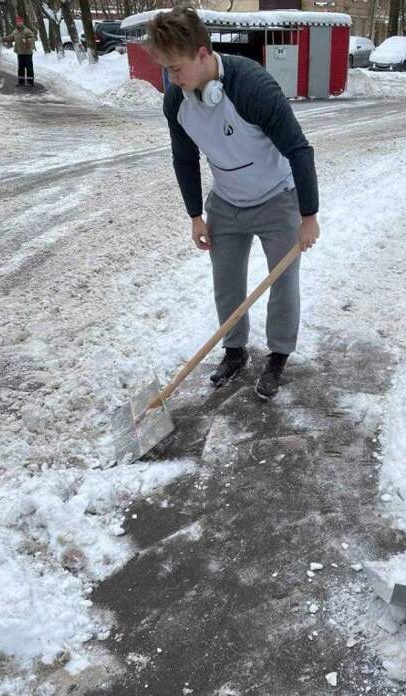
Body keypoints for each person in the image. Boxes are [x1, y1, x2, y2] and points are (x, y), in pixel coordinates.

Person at [147, 6, 320, 400]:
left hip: (278, 199)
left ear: (203, 54)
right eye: (166, 70)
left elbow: (299, 149)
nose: (171, 80)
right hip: (225, 201)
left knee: (283, 283)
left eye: (176, 68)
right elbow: (184, 158)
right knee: (226, 283)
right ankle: (235, 350)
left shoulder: (252, 87)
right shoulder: (177, 100)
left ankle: (278, 355)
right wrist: (195, 215)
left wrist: (308, 216)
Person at [3, 16, 36, 87]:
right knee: (20, 68)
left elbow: (33, 38)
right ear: (16, 23)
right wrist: (4, 39)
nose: (19, 23)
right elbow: (11, 38)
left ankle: (30, 82)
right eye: (18, 22)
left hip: (27, 53)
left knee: (29, 68)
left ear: (22, 22)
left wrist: (27, 40)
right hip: (20, 52)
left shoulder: (27, 31)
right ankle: (21, 82)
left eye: (20, 21)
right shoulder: (15, 31)